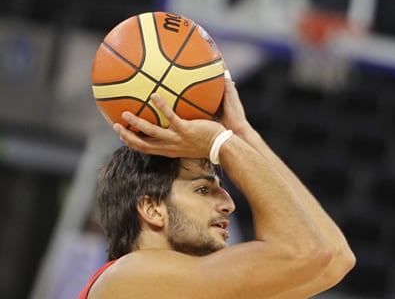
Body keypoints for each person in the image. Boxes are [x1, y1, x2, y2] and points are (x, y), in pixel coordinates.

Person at [78, 71, 356, 298]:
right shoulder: (127, 279)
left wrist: (242, 135)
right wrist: (220, 143)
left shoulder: (200, 287)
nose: (228, 204)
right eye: (202, 189)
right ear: (152, 208)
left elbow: (334, 260)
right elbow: (305, 251)